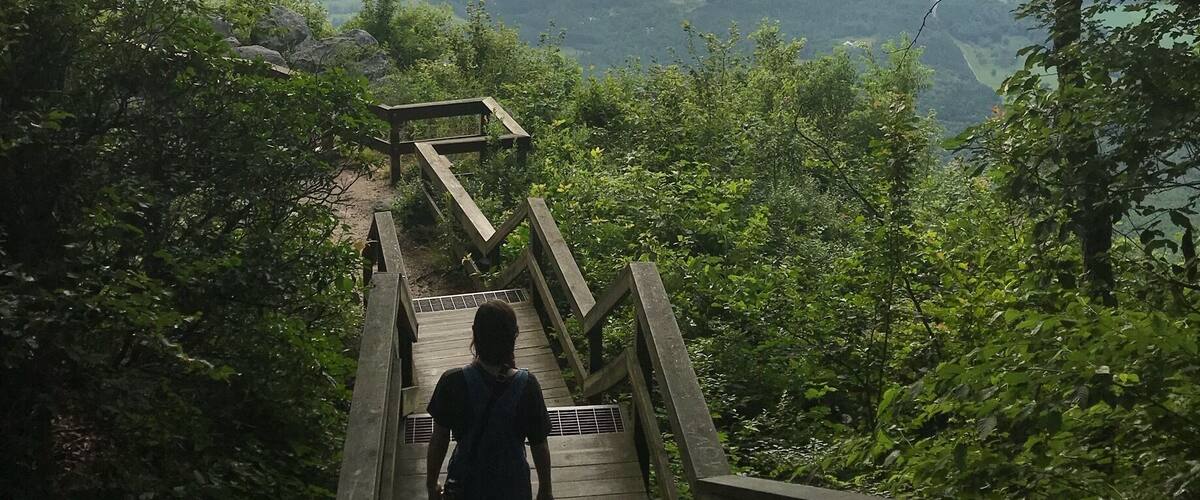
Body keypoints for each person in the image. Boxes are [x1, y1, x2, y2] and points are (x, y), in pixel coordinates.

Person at [425, 300, 554, 500]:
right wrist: (545, 490)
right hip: (512, 485)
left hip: (466, 484)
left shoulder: (452, 382)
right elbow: (539, 444)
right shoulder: (527, 385)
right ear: (514, 336)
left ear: (475, 333)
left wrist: (431, 485)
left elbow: (439, 439)